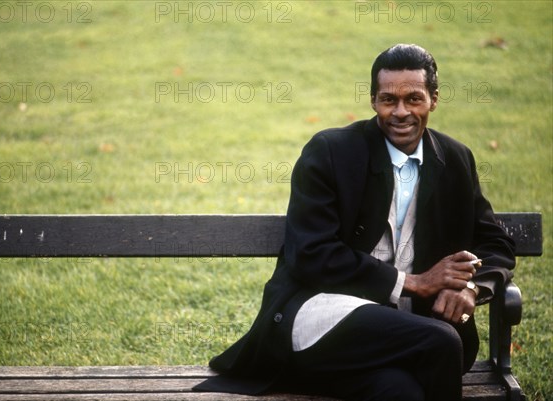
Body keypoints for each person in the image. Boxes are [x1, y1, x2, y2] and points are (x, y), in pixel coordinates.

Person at [193, 44, 515, 400]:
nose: (400, 112)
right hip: (320, 315)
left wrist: (471, 289)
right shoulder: (331, 151)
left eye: (414, 99)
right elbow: (312, 254)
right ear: (372, 100)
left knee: (400, 391)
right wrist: (413, 282)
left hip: (403, 336)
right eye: (388, 100)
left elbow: (495, 243)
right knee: (440, 340)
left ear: (434, 99)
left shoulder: (455, 159)